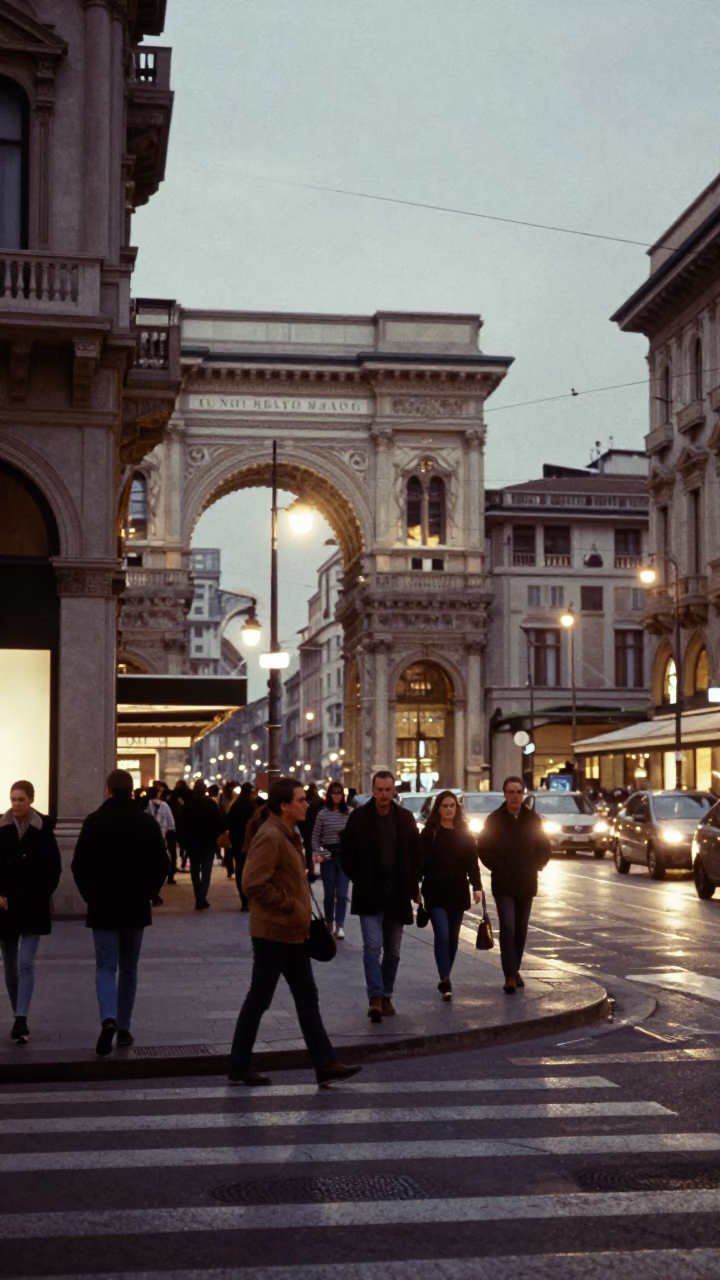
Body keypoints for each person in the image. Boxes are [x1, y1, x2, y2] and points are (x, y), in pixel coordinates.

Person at [229, 776, 361, 1088]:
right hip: (273, 933)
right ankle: (238, 1064)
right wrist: (288, 904)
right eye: (300, 800)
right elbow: (252, 884)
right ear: (284, 806)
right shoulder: (271, 836)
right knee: (260, 999)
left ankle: (325, 1063)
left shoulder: (289, 833)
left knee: (306, 997)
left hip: (293, 932)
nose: (306, 804)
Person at [71, 769, 169, 1056]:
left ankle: (108, 1019)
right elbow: (162, 863)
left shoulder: (94, 822)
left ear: (109, 790)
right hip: (135, 904)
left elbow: (78, 864)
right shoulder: (146, 822)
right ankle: (124, 1027)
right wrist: (150, 892)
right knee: (129, 966)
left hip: (102, 905)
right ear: (132, 790)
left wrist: (90, 895)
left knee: (104, 965)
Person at [340, 770, 421, 1023]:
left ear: (394, 790)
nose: (383, 794)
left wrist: (413, 884)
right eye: (379, 790)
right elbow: (346, 852)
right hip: (369, 893)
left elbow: (417, 854)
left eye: (388, 790)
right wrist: (358, 878)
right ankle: (375, 997)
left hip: (397, 894)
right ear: (373, 789)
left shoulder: (405, 818)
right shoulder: (359, 817)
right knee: (372, 946)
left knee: (393, 951)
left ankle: (387, 994)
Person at [0, 781, 61, 1044]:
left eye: (21, 799)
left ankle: (21, 1018)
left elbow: (54, 867)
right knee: (10, 966)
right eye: (13, 799)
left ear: (31, 800)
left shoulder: (44, 828)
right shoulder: (0, 828)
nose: (16, 804)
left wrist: (42, 892)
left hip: (34, 904)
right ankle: (17, 1012)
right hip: (6, 906)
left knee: (26, 963)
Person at [477, 776, 551, 994]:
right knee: (508, 928)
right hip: (503, 883)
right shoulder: (494, 819)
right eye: (511, 792)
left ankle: (514, 969)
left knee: (520, 930)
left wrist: (537, 865)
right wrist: (498, 867)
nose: (515, 796)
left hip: (526, 883)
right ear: (504, 794)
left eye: (518, 792)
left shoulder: (533, 819)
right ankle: (509, 975)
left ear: (523, 794)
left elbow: (544, 847)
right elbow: (483, 848)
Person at [418, 791, 482, 1000]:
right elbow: (421, 861)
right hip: (434, 892)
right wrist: (414, 887)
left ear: (457, 808)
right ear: (438, 809)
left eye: (452, 806)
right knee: (443, 936)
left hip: (457, 891)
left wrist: (477, 886)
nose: (448, 809)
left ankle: (445, 976)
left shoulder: (464, 833)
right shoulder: (430, 832)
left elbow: (472, 862)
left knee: (453, 939)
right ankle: (445, 979)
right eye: (444, 806)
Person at [312, 783, 351, 938]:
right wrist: (320, 853)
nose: (336, 796)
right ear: (329, 795)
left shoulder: (349, 813)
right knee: (329, 893)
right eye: (333, 793)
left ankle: (340, 924)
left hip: (343, 858)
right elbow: (315, 838)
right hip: (328, 859)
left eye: (339, 793)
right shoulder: (322, 814)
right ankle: (330, 921)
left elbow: (354, 836)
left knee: (342, 894)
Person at [182, 780, 225, 910]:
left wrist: (185, 841)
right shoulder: (211, 804)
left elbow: (182, 824)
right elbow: (220, 822)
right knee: (206, 870)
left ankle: (198, 897)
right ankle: (202, 897)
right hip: (208, 842)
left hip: (193, 843)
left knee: (195, 871)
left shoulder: (188, 805)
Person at [226, 782, 257, 909]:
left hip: (237, 842)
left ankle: (243, 899)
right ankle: (250, 897)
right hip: (252, 843)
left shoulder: (236, 805)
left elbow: (227, 822)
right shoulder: (253, 806)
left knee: (240, 869)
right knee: (251, 870)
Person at [144, 785, 177, 898]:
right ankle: (156, 890)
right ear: (158, 794)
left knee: (148, 864)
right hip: (161, 838)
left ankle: (150, 887)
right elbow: (171, 824)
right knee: (162, 863)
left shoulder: (145, 806)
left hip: (147, 839)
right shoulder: (164, 805)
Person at [299, 783, 322, 880]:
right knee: (317, 850)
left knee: (309, 851)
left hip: (307, 829)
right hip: (315, 828)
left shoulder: (307, 800)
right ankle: (315, 870)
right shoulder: (318, 801)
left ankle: (310, 869)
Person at [168, 780, 189, 871]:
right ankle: (182, 860)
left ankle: (179, 861)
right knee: (186, 844)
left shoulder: (173, 795)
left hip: (177, 822)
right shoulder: (189, 795)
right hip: (185, 822)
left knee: (179, 844)